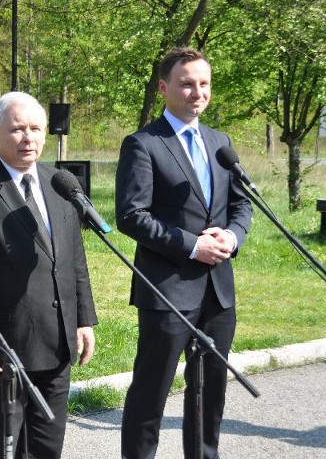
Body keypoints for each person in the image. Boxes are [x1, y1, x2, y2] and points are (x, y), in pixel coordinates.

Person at [0, 91, 98, 458]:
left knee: (46, 449)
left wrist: (83, 319)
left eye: (36, 129)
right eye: (17, 130)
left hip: (56, 343)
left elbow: (74, 258)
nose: (29, 138)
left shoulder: (61, 184)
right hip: (1, 351)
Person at [115, 47, 254, 459]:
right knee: (151, 394)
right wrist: (193, 245)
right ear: (164, 88)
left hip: (218, 292)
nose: (197, 92)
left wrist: (232, 236)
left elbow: (241, 204)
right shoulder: (143, 144)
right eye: (187, 84)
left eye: (204, 84)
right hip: (167, 291)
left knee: (211, 395)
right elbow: (131, 215)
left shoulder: (220, 143)